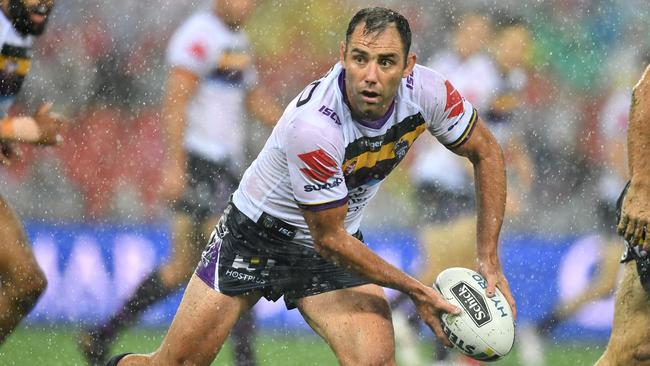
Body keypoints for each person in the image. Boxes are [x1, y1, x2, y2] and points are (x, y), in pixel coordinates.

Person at [107, 7, 515, 366]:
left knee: (374, 362)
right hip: (255, 236)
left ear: (409, 67)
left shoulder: (431, 92)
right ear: (343, 57)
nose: (370, 76)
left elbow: (488, 153)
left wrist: (488, 259)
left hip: (332, 245)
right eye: (360, 59)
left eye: (386, 62)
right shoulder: (315, 126)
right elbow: (330, 239)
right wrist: (416, 291)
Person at [78, 1, 281, 365]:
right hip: (201, 163)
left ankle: (100, 335)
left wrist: (292, 127)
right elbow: (175, 101)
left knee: (180, 265)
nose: (247, 6)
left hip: (223, 166)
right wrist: (174, 167)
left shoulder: (238, 41)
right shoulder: (198, 35)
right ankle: (245, 360)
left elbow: (252, 98)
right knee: (238, 255)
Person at [0, 0, 65, 346]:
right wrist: (29, 129)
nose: (46, 2)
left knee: (27, 282)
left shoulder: (19, 34)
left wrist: (6, 134)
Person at [595, 64, 650, 365]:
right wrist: (640, 187)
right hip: (640, 204)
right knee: (630, 349)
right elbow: (646, 92)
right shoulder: (622, 100)